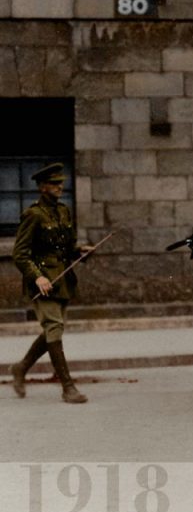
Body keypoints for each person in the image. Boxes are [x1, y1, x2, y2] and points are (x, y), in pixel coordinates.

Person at [10, 163, 95, 403]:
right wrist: (37, 276)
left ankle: (21, 367)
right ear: (43, 187)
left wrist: (80, 251)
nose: (60, 187)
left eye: (60, 183)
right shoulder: (33, 215)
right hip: (43, 282)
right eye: (55, 184)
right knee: (54, 327)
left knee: (52, 329)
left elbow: (67, 246)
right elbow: (20, 253)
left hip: (62, 280)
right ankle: (68, 387)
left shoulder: (64, 211)